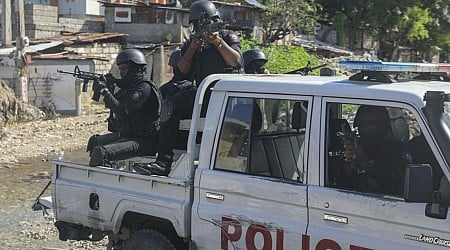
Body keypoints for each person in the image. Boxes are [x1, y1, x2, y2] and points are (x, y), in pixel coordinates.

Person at [133, 0, 242, 176]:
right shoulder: (193, 42)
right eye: (198, 24)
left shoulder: (228, 36)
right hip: (203, 94)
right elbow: (182, 72)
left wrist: (217, 42)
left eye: (205, 23)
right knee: (169, 106)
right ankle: (163, 162)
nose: (201, 27)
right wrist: (192, 48)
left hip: (226, 97)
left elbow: (236, 62)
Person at [86, 48, 161, 167]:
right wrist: (109, 87)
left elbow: (124, 111)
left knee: (100, 152)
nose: (122, 73)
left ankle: (100, 180)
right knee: (94, 142)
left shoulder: (143, 88)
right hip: (128, 135)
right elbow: (114, 105)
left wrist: (105, 92)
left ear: (136, 67)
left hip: (145, 141)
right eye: (120, 69)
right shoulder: (129, 87)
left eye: (125, 68)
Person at [341, 105, 412, 196]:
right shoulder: (356, 147)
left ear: (384, 127)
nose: (366, 129)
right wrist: (349, 164)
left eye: (372, 125)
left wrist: (366, 162)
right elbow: (337, 185)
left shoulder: (397, 151)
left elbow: (398, 185)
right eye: (362, 126)